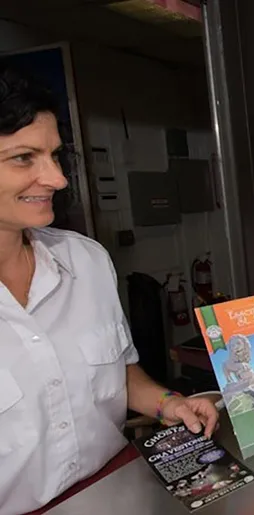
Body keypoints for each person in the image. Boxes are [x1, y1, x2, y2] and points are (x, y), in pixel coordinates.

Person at [0, 66, 219, 515]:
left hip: (121, 488)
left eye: (55, 156)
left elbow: (118, 373)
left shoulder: (86, 260)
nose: (57, 179)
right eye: (25, 158)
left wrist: (168, 404)